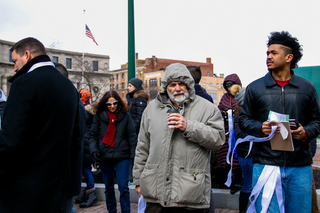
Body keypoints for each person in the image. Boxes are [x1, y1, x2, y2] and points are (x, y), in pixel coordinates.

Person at [239, 31, 320, 212]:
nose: (268, 57)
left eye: (274, 53)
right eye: (267, 53)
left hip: (300, 167)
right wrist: (260, 128)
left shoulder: (307, 88)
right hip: (265, 164)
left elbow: (317, 121)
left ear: (289, 57)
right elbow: (243, 120)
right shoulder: (255, 87)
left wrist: (305, 132)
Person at [0, 37, 83, 213]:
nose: (14, 67)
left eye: (15, 61)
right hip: (57, 188)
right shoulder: (69, 88)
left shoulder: (24, 83)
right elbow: (76, 140)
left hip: (23, 190)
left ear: (27, 55)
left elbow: (10, 140)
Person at [133, 63, 225, 212]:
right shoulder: (151, 109)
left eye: (182, 83)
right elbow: (142, 146)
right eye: (172, 84)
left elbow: (218, 139)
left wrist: (189, 126)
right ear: (166, 87)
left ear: (189, 84)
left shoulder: (208, 108)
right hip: (156, 193)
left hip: (190, 194)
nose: (177, 88)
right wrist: (137, 180)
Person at [89, 90, 137, 213]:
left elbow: (132, 136)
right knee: (109, 187)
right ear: (105, 104)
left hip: (122, 155)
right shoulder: (99, 116)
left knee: (123, 186)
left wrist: (133, 155)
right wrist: (94, 151)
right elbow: (93, 135)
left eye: (114, 103)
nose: (112, 106)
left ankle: (126, 211)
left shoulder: (125, 116)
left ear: (118, 103)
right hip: (104, 155)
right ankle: (112, 211)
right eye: (109, 104)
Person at [187, 65, 215, 213]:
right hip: (205, 149)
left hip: (192, 149)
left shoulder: (190, 98)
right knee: (206, 186)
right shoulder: (208, 97)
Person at [217, 73, 242, 194]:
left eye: (231, 85)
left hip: (238, 133)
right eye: (227, 86)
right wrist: (224, 113)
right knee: (225, 155)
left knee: (236, 156)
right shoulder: (224, 98)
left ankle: (238, 181)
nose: (229, 88)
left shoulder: (241, 96)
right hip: (226, 132)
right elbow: (218, 109)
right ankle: (226, 181)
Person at [75, 89, 98, 208]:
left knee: (85, 169)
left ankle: (91, 192)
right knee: (86, 168)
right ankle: (89, 193)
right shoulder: (89, 111)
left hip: (85, 143)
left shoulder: (82, 110)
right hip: (88, 142)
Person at [231, 85, 252, 213]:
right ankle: (243, 210)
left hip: (248, 154)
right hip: (247, 155)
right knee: (248, 185)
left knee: (249, 184)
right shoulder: (241, 116)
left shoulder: (241, 114)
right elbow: (241, 135)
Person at [126, 78, 149, 185]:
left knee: (135, 154)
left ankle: (133, 177)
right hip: (132, 131)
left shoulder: (140, 99)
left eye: (130, 86)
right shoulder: (131, 98)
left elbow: (139, 117)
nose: (128, 87)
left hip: (136, 132)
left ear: (135, 87)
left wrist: (132, 130)